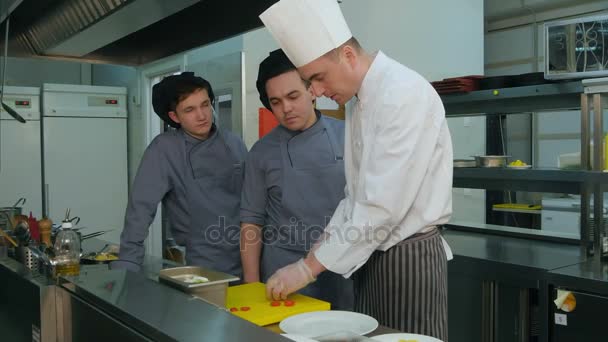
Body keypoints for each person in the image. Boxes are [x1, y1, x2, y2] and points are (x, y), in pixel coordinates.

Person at [259, 0, 454, 339]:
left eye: (318, 78)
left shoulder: (401, 93)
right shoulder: (359, 101)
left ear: (348, 55)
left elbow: (380, 208)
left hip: (408, 257)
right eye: (310, 81)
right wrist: (312, 257)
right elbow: (354, 199)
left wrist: (307, 269)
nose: (317, 92)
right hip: (373, 256)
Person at [240, 49, 353, 309]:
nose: (286, 109)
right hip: (284, 277)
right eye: (275, 102)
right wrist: (251, 286)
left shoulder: (348, 137)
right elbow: (251, 224)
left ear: (312, 90)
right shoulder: (261, 153)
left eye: (292, 96)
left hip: (343, 269)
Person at [114, 72, 246, 278]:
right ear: (175, 117)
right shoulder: (164, 149)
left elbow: (253, 199)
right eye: (190, 110)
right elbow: (140, 208)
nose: (202, 115)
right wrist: (127, 266)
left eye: (205, 105)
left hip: (250, 252)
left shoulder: (233, 142)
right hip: (203, 260)